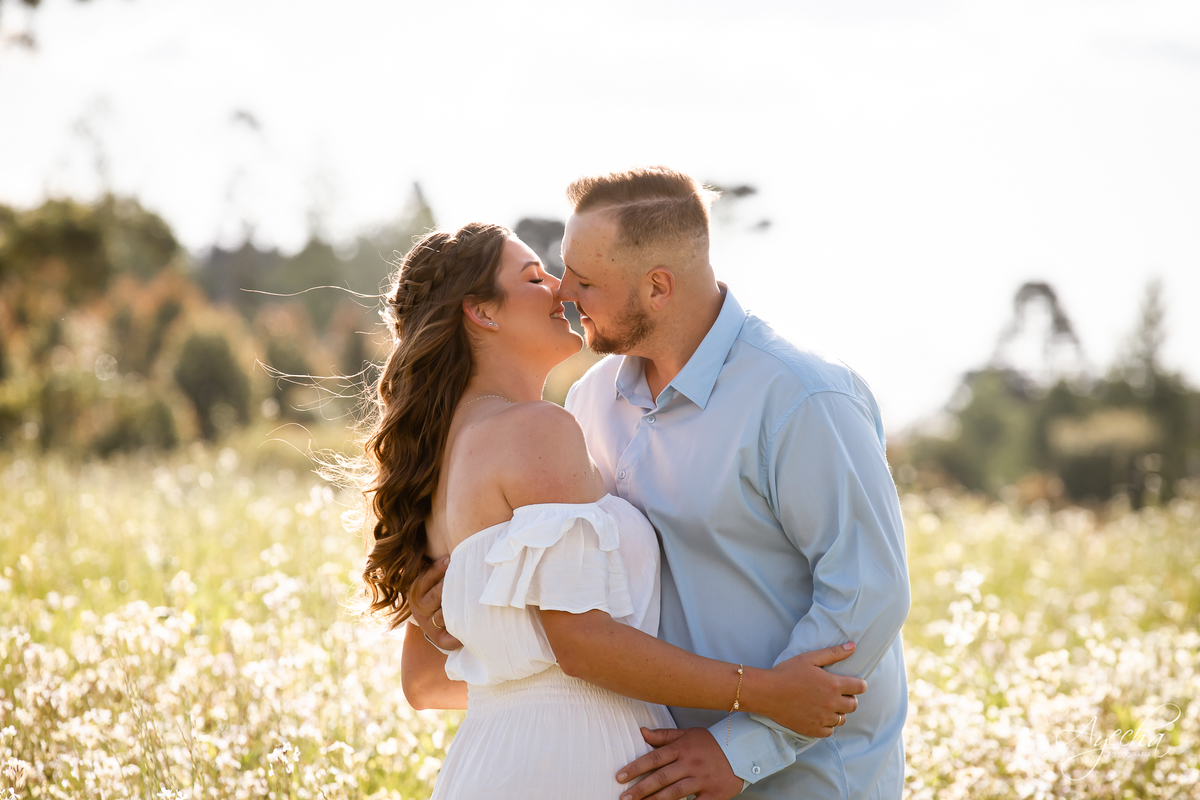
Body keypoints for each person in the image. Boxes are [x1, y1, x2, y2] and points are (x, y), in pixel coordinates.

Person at [413, 167, 911, 800]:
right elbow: (573, 597)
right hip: (651, 770)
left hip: (800, 779)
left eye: (586, 281)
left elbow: (867, 595)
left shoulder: (801, 397)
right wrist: (464, 610)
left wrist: (740, 749)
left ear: (657, 287)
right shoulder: (589, 401)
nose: (564, 292)